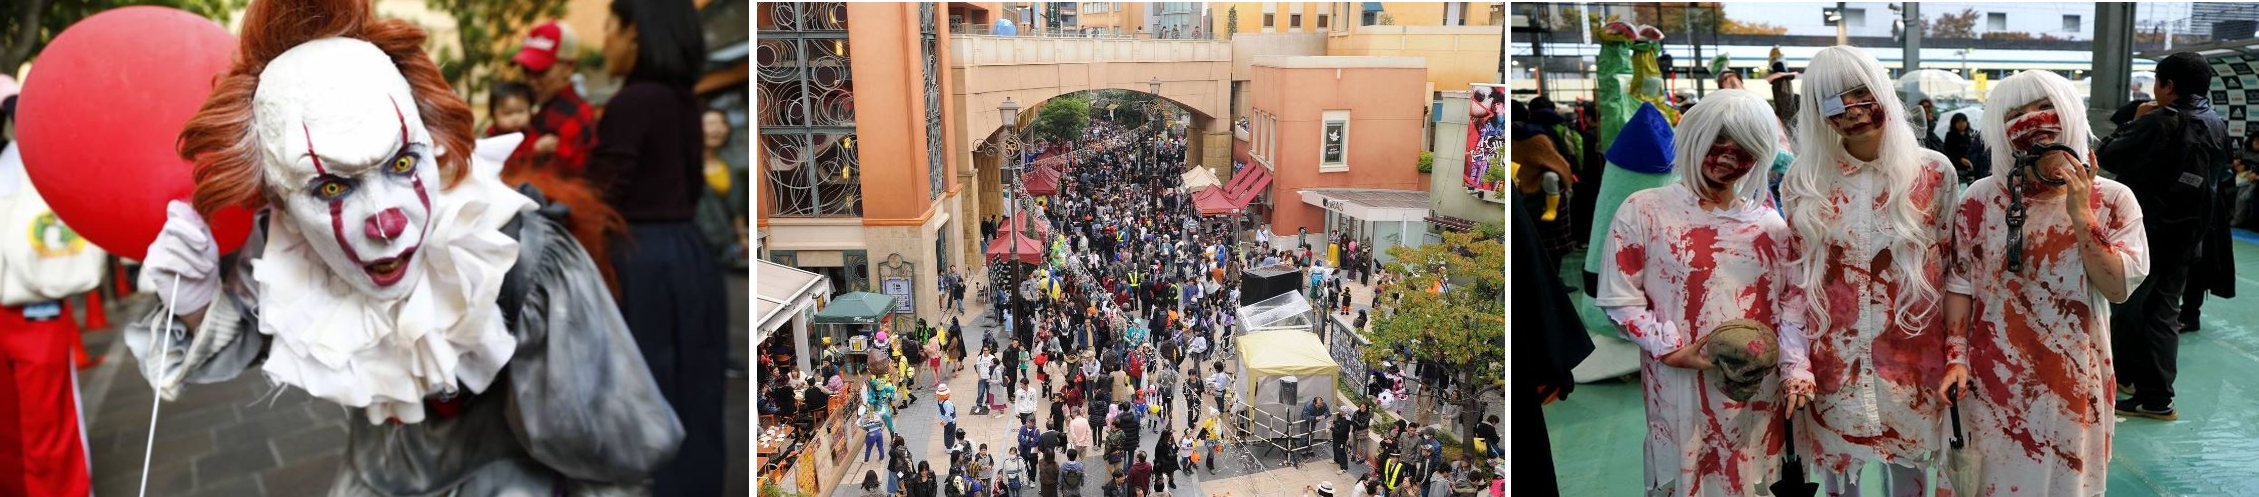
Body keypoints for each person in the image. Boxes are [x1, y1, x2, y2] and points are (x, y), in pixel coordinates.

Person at [129, 0, 682, 493]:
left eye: (400, 163)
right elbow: (258, 336)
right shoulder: (287, 254)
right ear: (277, 199)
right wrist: (198, 297)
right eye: (330, 186)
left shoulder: (515, 255)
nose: (387, 221)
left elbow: (613, 451)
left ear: (431, 139)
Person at [1941, 68, 2148, 497]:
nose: (2032, 121)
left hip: (2075, 378)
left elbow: (2118, 288)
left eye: (2044, 107)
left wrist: (2081, 213)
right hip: (1989, 376)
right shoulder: (1980, 199)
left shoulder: (2112, 199)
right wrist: (1955, 357)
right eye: (2016, 113)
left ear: (2070, 113)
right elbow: (1960, 284)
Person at [1596, 89, 1802, 496]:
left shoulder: (1771, 226)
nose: (1727, 156)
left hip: (1756, 393)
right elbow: (1620, 298)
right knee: (1683, 479)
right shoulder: (1645, 210)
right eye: (1717, 140)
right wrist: (1672, 349)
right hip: (1678, 390)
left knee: (1752, 480)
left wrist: (1796, 368)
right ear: (1692, 138)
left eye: (1742, 145)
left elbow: (1791, 306)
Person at [1778, 46, 1958, 495]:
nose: (1853, 111)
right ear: (1819, 112)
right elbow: (1797, 283)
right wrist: (1795, 361)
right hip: (1832, 366)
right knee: (1840, 478)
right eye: (1834, 101)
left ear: (1882, 92)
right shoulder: (1805, 181)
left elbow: (1957, 272)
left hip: (1915, 366)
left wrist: (1958, 354)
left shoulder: (1934, 173)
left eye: (1862, 93)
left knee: (1910, 477)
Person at [2099, 52, 2229, 420]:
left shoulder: (2159, 121)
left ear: (2168, 85)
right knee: (2163, 312)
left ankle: (2129, 380)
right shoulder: (2216, 123)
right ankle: (2155, 395)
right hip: (2189, 236)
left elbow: (2108, 155)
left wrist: (2132, 123)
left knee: (2128, 308)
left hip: (2147, 232)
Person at [509, 20, 596, 175]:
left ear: (568, 68)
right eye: (526, 70)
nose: (531, 80)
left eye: (540, 71)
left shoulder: (573, 116)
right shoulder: (534, 107)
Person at [1942, 112, 1992, 185]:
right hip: (1957, 166)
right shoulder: (1950, 135)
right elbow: (1948, 150)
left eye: (1963, 121)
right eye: (1958, 122)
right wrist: (1960, 158)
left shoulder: (1972, 133)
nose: (1961, 124)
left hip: (1973, 165)